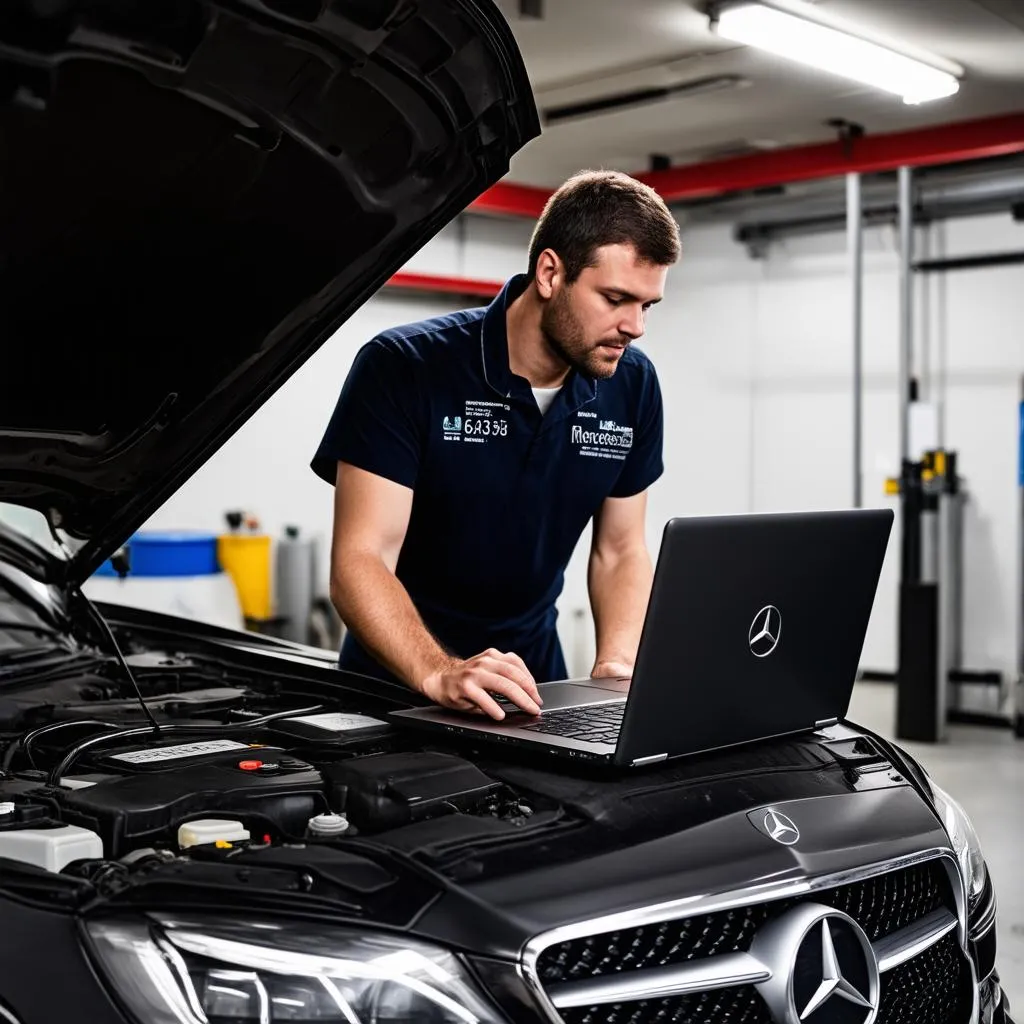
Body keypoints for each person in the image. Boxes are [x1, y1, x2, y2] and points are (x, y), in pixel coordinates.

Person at [310, 169, 680, 720]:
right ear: (551, 273)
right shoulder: (405, 367)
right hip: (395, 690)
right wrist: (438, 669)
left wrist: (620, 663)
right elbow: (360, 559)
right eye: (616, 298)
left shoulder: (632, 385)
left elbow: (620, 548)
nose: (635, 327)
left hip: (536, 691)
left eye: (646, 305)